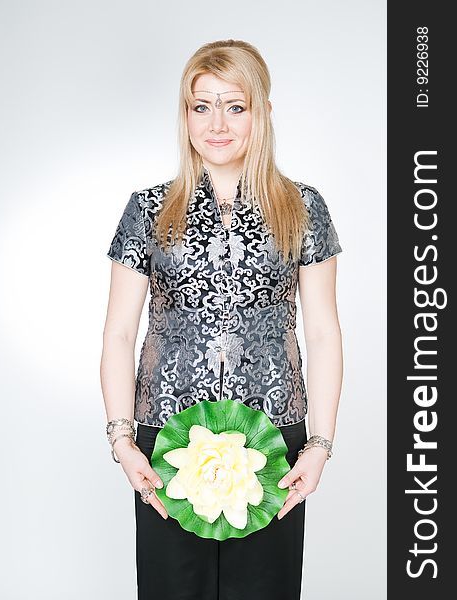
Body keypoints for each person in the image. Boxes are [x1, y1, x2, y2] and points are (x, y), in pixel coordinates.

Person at [100, 39, 343, 600]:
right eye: (200, 105)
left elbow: (324, 334)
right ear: (184, 114)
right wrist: (123, 443)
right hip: (165, 441)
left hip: (274, 441)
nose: (217, 124)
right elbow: (118, 333)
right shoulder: (149, 208)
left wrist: (319, 446)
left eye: (234, 106)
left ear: (261, 112)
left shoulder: (303, 208)